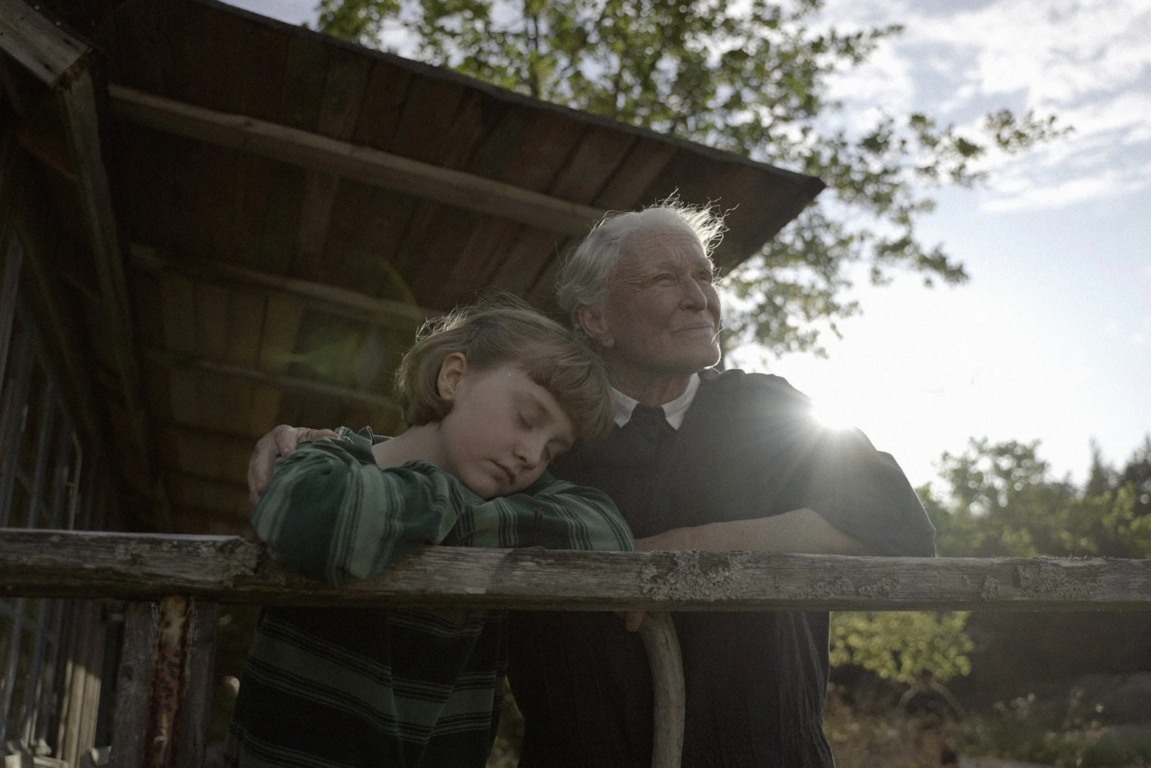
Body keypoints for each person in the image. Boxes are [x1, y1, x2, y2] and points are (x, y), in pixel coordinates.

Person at [249, 200, 937, 768]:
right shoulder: (553, 440)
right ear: (595, 319)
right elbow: (423, 471)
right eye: (664, 278)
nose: (699, 297)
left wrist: (680, 551)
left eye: (704, 275)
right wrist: (329, 451)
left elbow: (901, 528)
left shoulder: (770, 408)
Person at [226, 297, 635, 768]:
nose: (531, 455)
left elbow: (608, 536)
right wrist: (453, 509)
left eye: (552, 452)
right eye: (527, 418)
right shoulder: (328, 457)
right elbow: (316, 522)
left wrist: (417, 520)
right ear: (453, 377)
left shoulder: (503, 497)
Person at [899, 668, 964, 766]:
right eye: (921, 679)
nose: (924, 681)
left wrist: (959, 728)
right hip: (919, 733)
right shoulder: (911, 698)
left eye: (927, 678)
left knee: (948, 756)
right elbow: (901, 717)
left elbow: (956, 713)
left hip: (938, 731)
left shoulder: (940, 695)